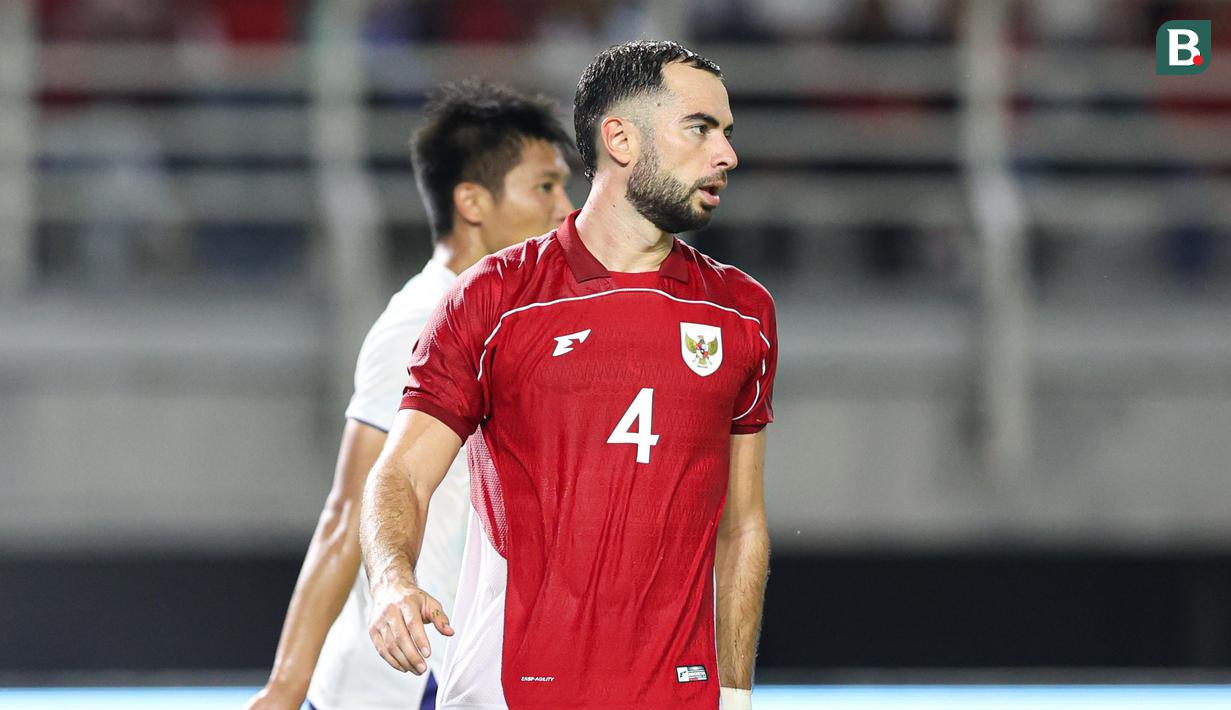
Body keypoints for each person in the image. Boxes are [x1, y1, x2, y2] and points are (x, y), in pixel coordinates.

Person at [361, 40, 776, 710]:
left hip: (678, 697)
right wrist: (390, 580)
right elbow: (401, 472)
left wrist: (733, 692)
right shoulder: (493, 296)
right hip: (508, 691)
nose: (725, 154)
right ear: (620, 138)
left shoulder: (742, 313)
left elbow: (742, 524)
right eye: (700, 129)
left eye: (726, 133)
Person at [247, 81, 575, 710]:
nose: (566, 207)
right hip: (398, 684)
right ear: (473, 202)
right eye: (544, 186)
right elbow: (348, 511)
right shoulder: (420, 321)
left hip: (465, 671)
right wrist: (285, 689)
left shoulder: (512, 320)